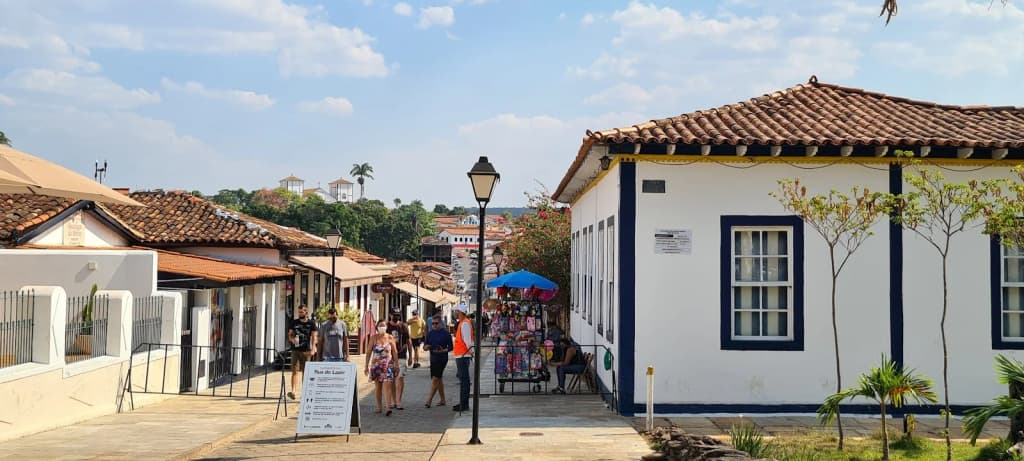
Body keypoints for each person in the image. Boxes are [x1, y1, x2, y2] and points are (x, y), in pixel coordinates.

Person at [365, 320, 397, 416]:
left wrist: (396, 364)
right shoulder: (373, 338)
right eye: (380, 325)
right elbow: (368, 352)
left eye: (383, 325)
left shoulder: (390, 337)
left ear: (386, 327)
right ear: (377, 327)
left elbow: (394, 352)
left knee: (387, 385)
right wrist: (366, 366)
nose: (382, 327)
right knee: (378, 387)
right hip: (376, 366)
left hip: (388, 365)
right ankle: (379, 407)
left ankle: (388, 407)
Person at [287, 305, 318, 400]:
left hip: (306, 350)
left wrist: (313, 348)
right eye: (299, 312)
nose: (299, 314)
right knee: (294, 371)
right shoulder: (294, 322)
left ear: (306, 312)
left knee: (305, 372)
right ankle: (293, 392)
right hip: (295, 350)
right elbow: (290, 334)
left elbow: (314, 337)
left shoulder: (311, 323)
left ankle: (305, 392)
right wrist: (292, 339)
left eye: (301, 312)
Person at [422, 315, 453, 407]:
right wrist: (426, 347)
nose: (434, 325)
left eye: (436, 323)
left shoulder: (446, 333)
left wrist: (443, 350)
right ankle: (443, 400)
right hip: (433, 358)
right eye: (433, 324)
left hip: (442, 359)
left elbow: (451, 347)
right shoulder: (430, 333)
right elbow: (424, 346)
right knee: (438, 379)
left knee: (435, 378)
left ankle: (429, 400)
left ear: (440, 323)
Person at [387, 313, 414, 410]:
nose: (396, 317)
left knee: (400, 377)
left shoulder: (403, 326)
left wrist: (410, 357)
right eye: (394, 315)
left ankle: (398, 401)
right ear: (390, 315)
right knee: (391, 379)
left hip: (401, 355)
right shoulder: (387, 326)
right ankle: (394, 401)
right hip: (389, 357)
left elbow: (409, 341)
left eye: (398, 315)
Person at [452, 304, 474, 412]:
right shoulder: (462, 323)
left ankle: (464, 404)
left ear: (460, 312)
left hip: (463, 354)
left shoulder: (465, 323)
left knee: (464, 380)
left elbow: (467, 341)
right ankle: (463, 403)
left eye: (456, 311)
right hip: (462, 354)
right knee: (463, 380)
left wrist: (472, 353)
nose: (455, 313)